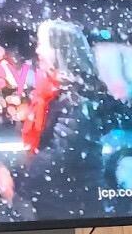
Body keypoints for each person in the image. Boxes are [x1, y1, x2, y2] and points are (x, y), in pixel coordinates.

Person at [12, 20, 111, 220]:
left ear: (59, 50)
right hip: (56, 202)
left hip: (71, 206)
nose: (38, 50)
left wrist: (19, 181)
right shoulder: (50, 91)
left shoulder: (77, 98)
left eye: (42, 44)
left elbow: (62, 155)